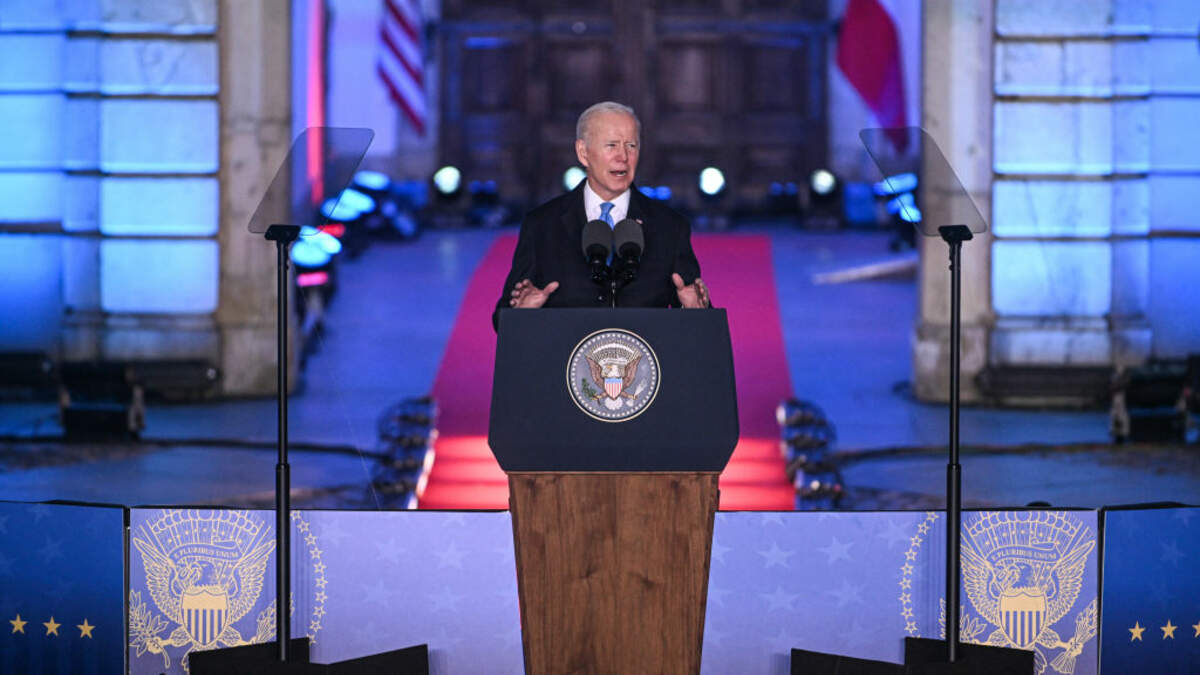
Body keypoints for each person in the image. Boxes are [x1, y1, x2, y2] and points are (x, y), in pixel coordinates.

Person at [493, 101, 710, 329]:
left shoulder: (670, 227)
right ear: (583, 152)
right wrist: (521, 313)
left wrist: (696, 310)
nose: (623, 156)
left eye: (631, 146)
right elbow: (503, 321)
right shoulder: (542, 225)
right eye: (611, 145)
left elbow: (699, 323)